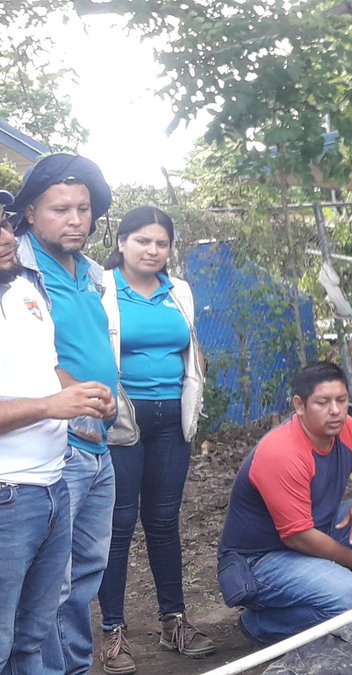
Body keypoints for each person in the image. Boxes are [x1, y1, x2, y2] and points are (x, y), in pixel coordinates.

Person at [12, 153, 122, 674]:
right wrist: (75, 399)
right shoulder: (20, 272)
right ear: (30, 213)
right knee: (49, 591)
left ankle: (76, 668)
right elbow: (35, 363)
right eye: (60, 209)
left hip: (98, 443)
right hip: (55, 450)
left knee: (85, 578)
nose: (75, 220)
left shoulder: (93, 273)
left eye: (83, 209)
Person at [95, 206, 213, 674]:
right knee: (118, 528)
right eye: (143, 240)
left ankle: (174, 622)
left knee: (164, 523)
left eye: (161, 243)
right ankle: (113, 632)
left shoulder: (178, 290)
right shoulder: (101, 288)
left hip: (171, 424)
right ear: (122, 242)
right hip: (121, 421)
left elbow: (190, 346)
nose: (152, 250)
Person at [217, 362, 352, 645]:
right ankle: (262, 626)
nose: (335, 410)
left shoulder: (345, 430)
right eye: (323, 402)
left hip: (315, 535)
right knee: (347, 591)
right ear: (299, 406)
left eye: (341, 400)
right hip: (261, 561)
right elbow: (298, 537)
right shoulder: (282, 452)